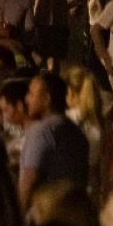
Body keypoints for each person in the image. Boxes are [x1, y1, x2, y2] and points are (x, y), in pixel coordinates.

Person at [17, 73, 89, 212]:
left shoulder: (42, 131)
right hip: (73, 216)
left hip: (46, 218)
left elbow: (30, 181)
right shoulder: (76, 131)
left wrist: (16, 223)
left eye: (31, 94)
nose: (27, 99)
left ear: (47, 99)